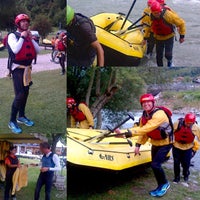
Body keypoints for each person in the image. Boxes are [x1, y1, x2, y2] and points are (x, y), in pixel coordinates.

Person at [117, 94, 173, 197]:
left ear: (153, 103)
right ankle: (160, 185)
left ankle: (165, 184)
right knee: (154, 165)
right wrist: (138, 145)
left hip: (166, 143)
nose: (146, 104)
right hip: (155, 143)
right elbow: (144, 133)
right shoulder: (144, 116)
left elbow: (146, 128)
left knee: (155, 165)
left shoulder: (159, 114)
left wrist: (128, 133)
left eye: (148, 102)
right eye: (143, 103)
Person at [7, 14, 40, 134]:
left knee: (25, 93)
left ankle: (21, 116)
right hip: (17, 68)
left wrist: (31, 38)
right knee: (20, 94)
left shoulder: (28, 36)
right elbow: (15, 50)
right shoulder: (12, 35)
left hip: (27, 69)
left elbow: (38, 50)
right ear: (18, 23)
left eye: (27, 21)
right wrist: (22, 37)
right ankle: (12, 121)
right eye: (23, 22)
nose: (25, 23)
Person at [144, 1, 185, 67]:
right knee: (158, 57)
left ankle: (170, 62)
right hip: (158, 37)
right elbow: (148, 27)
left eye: (159, 12)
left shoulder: (168, 15)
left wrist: (182, 36)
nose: (158, 14)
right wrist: (145, 38)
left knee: (168, 54)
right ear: (152, 12)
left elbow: (181, 23)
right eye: (156, 13)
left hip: (169, 36)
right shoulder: (150, 16)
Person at [172, 113, 200, 183]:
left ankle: (186, 174)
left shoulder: (196, 127)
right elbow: (170, 133)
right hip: (176, 146)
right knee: (176, 163)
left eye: (190, 123)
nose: (188, 124)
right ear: (184, 120)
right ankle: (177, 177)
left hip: (188, 148)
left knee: (186, 164)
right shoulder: (177, 123)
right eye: (187, 123)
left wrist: (195, 149)